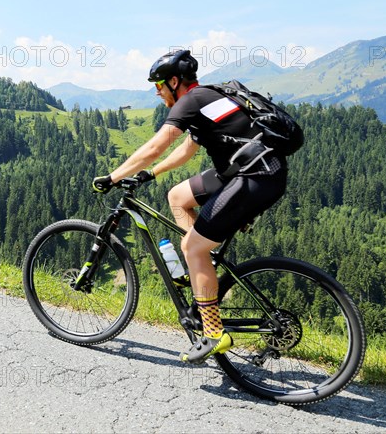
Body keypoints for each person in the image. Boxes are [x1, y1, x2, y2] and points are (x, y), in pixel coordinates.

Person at [93, 49, 287, 364]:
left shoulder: (190, 102)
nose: (157, 92)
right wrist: (150, 173)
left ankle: (213, 332)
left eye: (159, 85)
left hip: (256, 176)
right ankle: (200, 267)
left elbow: (157, 144)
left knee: (193, 247)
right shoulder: (208, 98)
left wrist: (114, 177)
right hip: (251, 170)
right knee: (178, 197)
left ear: (174, 81)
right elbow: (185, 150)